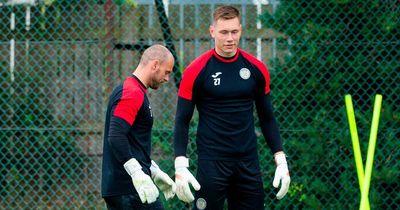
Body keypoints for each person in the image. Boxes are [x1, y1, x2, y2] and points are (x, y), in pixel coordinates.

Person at [173, 5, 291, 210]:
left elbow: (267, 118)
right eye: (224, 32)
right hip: (212, 163)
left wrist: (281, 161)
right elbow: (182, 120)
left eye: (234, 32)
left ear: (241, 30)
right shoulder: (195, 71)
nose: (230, 38)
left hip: (247, 163)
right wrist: (180, 165)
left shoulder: (256, 69)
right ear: (212, 32)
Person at [101, 44, 176, 210]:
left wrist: (153, 170)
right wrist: (136, 173)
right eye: (167, 72)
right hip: (129, 188)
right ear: (155, 65)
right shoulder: (131, 92)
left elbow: (132, 141)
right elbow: (116, 136)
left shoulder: (135, 90)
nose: (167, 79)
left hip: (125, 188)